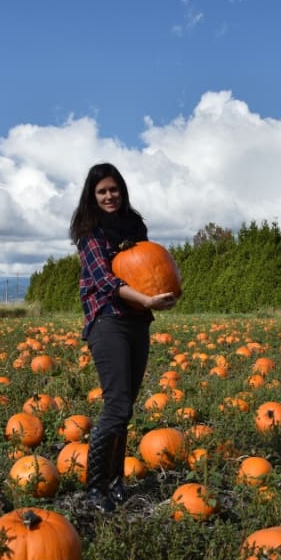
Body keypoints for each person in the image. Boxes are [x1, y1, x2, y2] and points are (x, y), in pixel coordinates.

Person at [70, 162, 177, 512]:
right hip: (108, 322)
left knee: (125, 407)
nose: (109, 196)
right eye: (101, 191)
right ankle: (95, 488)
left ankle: (116, 481)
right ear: (92, 196)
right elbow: (107, 281)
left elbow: (151, 271)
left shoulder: (135, 225)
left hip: (137, 321)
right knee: (116, 405)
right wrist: (146, 299)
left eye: (113, 189)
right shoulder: (90, 234)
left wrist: (163, 297)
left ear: (122, 190)